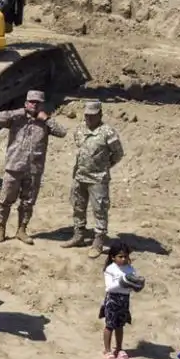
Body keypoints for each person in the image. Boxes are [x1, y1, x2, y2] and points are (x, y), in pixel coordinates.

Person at [0, 90, 67, 243]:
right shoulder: (16, 118)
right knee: (5, 200)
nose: (34, 105)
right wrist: (19, 112)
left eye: (38, 102)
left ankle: (22, 229)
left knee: (28, 202)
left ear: (43, 105)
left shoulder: (45, 122)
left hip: (33, 170)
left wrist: (46, 119)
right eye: (31, 102)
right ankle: (1, 228)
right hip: (14, 167)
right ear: (26, 103)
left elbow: (62, 132)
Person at [63, 101, 124, 254]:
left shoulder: (108, 132)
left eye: (92, 115)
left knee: (100, 209)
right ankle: (79, 234)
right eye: (87, 115)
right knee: (78, 206)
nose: (89, 118)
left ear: (100, 115)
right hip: (80, 176)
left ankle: (98, 240)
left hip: (98, 178)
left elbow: (118, 153)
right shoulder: (79, 129)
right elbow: (79, 146)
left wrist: (104, 166)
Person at [101, 240, 145, 359]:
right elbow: (109, 287)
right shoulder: (110, 269)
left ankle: (119, 348)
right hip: (112, 299)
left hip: (124, 300)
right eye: (120, 256)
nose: (124, 259)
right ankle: (107, 350)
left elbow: (131, 287)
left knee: (120, 325)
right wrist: (124, 280)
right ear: (113, 257)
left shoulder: (130, 269)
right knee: (110, 325)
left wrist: (136, 286)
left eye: (126, 256)